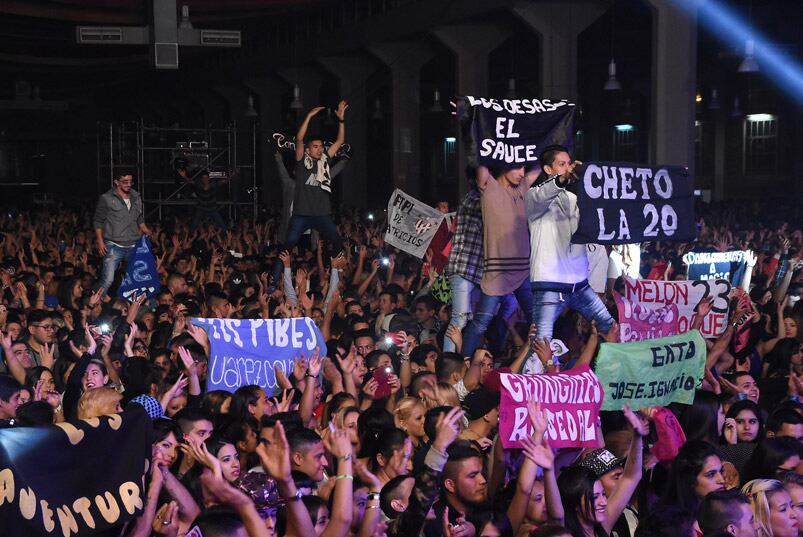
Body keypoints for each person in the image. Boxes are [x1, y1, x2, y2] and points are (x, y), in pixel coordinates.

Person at [525, 145, 615, 367]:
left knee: (610, 326)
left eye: (569, 163)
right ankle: (532, 395)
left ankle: (614, 378)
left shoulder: (573, 199)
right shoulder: (534, 196)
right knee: (541, 345)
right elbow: (547, 193)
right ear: (547, 169)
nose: (567, 168)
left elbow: (596, 212)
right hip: (549, 285)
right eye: (561, 164)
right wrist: (563, 179)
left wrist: (588, 181)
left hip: (579, 284)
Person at [460, 164, 537, 358]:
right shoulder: (489, 186)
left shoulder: (522, 189)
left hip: (522, 272)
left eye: (524, 169)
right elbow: (480, 158)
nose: (522, 173)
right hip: (496, 273)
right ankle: (463, 365)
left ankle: (543, 364)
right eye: (518, 168)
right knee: (480, 324)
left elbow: (539, 163)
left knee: (538, 321)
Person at [93, 167, 152, 293]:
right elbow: (98, 221)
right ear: (116, 182)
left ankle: (136, 305)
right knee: (108, 280)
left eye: (130, 181)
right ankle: (94, 303)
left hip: (133, 244)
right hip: (114, 245)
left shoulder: (136, 196)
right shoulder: (107, 198)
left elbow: (138, 216)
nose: (128, 184)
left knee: (139, 278)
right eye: (125, 182)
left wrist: (145, 229)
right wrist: (100, 242)